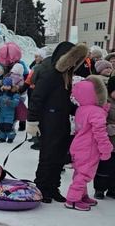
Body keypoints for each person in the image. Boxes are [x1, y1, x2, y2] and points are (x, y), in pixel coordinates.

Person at [27, 42, 89, 204]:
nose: (74, 64)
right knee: (48, 157)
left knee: (59, 158)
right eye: (72, 59)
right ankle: (42, 188)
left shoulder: (66, 76)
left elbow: (64, 102)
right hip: (49, 123)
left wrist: (79, 110)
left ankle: (53, 187)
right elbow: (36, 98)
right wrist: (32, 121)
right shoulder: (50, 75)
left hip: (62, 123)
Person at [65, 77, 112, 211]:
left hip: (78, 145)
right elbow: (100, 133)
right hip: (89, 148)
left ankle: (82, 195)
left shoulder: (82, 109)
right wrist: (106, 149)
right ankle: (73, 199)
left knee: (79, 172)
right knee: (85, 174)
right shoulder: (96, 112)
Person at [94, 77, 115, 199]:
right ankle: (100, 189)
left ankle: (113, 189)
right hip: (108, 142)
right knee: (104, 167)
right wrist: (108, 128)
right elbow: (99, 121)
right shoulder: (105, 103)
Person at [0, 78, 21, 143]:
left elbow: (16, 103)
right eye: (5, 85)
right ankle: (2, 138)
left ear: (11, 86)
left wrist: (9, 102)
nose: (6, 87)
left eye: (8, 86)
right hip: (1, 113)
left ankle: (10, 137)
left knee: (8, 126)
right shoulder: (0, 93)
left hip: (10, 114)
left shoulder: (14, 94)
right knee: (1, 126)